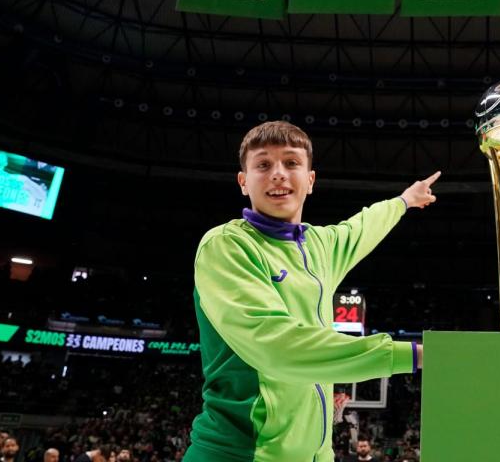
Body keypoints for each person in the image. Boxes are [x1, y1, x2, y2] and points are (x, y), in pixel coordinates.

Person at [185, 121, 439, 462]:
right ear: (243, 182)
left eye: (291, 163)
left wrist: (405, 201)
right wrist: (411, 355)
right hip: (240, 453)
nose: (278, 174)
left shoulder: (320, 246)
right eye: (263, 164)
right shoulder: (226, 247)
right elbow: (277, 347)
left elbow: (362, 227)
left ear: (310, 180)